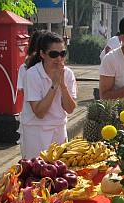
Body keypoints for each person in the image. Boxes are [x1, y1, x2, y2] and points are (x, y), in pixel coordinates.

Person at [20, 31, 77, 159]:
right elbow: (40, 113)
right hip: (36, 131)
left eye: (62, 54)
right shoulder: (32, 75)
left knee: (60, 172)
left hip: (59, 128)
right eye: (54, 54)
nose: (59, 59)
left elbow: (70, 108)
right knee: (37, 173)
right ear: (42, 54)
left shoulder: (68, 74)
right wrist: (54, 85)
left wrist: (63, 85)